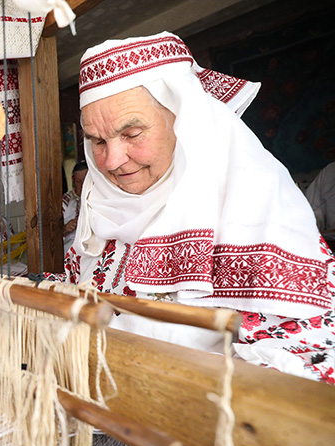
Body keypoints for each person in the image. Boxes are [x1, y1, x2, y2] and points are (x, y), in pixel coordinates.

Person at [68, 31, 334, 383]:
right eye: (98, 141)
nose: (113, 161)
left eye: (132, 135)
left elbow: (313, 358)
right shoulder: (103, 211)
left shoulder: (255, 215)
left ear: (186, 123)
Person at [61, 162, 88, 255]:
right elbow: (49, 234)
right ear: (73, 180)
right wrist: (64, 229)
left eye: (85, 181)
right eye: (78, 181)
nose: (82, 185)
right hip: (68, 255)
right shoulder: (65, 201)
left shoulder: (99, 200)